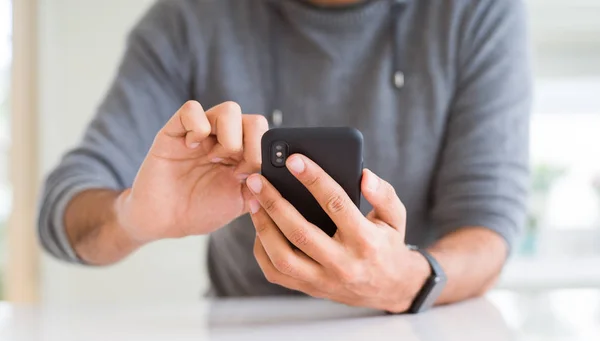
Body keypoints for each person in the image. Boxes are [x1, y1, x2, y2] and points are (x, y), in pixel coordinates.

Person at [38, 0, 531, 313]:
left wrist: (409, 281)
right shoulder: (187, 19)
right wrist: (134, 217)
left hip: (419, 336)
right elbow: (62, 210)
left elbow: (488, 227)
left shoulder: (478, 10)